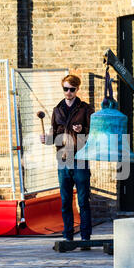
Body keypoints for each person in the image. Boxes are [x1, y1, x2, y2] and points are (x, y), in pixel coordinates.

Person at [40, 74, 94, 246]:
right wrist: (46, 139)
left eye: (72, 89)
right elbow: (54, 134)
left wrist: (82, 129)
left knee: (83, 200)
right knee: (65, 201)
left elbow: (94, 134)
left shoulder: (86, 109)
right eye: (65, 89)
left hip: (80, 158)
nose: (68, 92)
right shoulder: (57, 110)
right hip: (63, 159)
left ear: (77, 89)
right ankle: (67, 235)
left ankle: (85, 236)